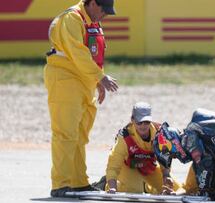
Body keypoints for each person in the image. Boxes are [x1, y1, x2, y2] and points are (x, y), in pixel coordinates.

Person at [44, 0, 119, 197]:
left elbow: (94, 54)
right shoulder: (71, 19)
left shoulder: (92, 22)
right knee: (66, 133)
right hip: (65, 80)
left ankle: (78, 182)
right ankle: (60, 183)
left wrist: (96, 82)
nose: (105, 15)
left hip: (85, 83)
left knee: (80, 135)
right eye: (104, 10)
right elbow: (77, 52)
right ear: (93, 3)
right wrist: (100, 77)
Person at [105, 102, 181, 194]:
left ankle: (146, 187)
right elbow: (113, 164)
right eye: (139, 122)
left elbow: (164, 161)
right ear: (132, 120)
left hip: (149, 167)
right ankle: (107, 184)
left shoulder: (159, 134)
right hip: (128, 167)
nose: (143, 126)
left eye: (146, 122)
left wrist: (166, 176)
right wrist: (112, 187)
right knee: (135, 191)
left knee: (175, 191)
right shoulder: (125, 137)